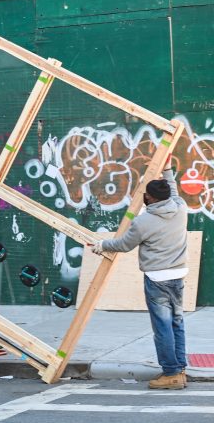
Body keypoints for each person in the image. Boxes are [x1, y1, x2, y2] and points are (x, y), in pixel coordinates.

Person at [91, 158, 188, 390]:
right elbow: (172, 191)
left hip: (157, 279)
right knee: (177, 322)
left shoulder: (144, 221)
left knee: (162, 327)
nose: (144, 197)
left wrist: (102, 244)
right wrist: (167, 171)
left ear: (151, 199)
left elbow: (124, 244)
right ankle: (180, 368)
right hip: (178, 275)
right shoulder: (180, 207)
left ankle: (171, 373)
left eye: (147, 195)